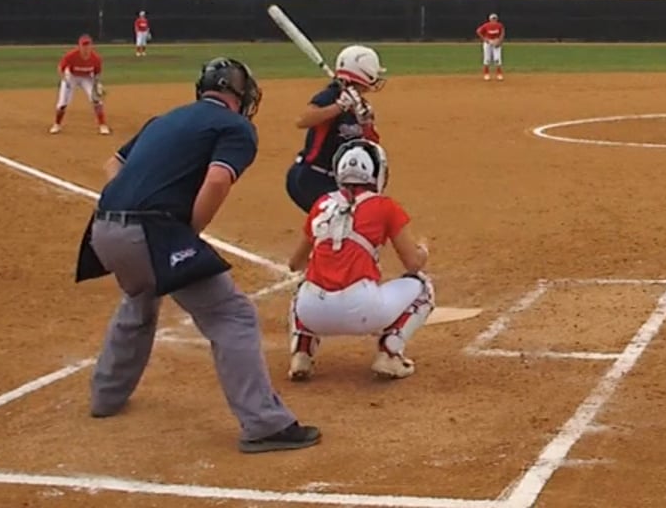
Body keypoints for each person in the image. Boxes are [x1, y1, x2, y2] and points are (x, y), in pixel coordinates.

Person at [74, 57, 319, 454]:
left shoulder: (164, 120)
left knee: (140, 296)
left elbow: (113, 165)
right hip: (151, 233)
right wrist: (186, 234)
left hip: (102, 229)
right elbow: (218, 180)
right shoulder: (235, 127)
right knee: (232, 314)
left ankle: (106, 396)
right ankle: (264, 425)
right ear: (239, 94)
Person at [286, 139, 435, 382]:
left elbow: (295, 264)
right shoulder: (385, 206)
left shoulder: (321, 204)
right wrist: (424, 250)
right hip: (361, 309)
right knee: (423, 287)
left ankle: (301, 352)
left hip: (312, 312)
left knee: (303, 285)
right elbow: (413, 264)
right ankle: (389, 353)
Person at [286, 45, 385, 212]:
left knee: (351, 219)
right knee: (341, 221)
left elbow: (372, 146)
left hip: (337, 182)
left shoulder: (361, 105)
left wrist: (366, 122)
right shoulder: (331, 96)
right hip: (312, 178)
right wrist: (339, 107)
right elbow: (302, 120)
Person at [55, 34, 110, 135]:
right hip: (71, 76)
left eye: (88, 45)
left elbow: (97, 73)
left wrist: (97, 84)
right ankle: (57, 125)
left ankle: (103, 125)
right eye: (84, 45)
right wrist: (65, 80)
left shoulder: (96, 58)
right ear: (79, 46)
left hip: (87, 78)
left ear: (91, 46)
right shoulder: (71, 55)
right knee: (63, 103)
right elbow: (60, 68)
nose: (86, 48)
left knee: (96, 100)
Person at [477, 13, 505, 81]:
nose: (494, 20)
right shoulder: (486, 25)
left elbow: (502, 33)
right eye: (492, 19)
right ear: (490, 19)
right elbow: (478, 31)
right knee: (487, 58)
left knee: (497, 58)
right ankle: (486, 74)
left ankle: (499, 74)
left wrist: (499, 41)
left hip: (496, 42)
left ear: (497, 19)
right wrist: (484, 39)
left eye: (495, 19)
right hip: (488, 43)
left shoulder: (499, 25)